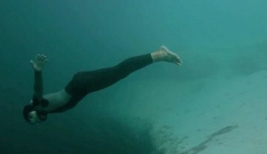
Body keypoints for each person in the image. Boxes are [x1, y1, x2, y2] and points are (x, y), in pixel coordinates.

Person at [23, 46, 182, 125]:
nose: (35, 120)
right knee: (119, 72)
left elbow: (37, 91)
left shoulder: (39, 105)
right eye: (33, 122)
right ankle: (159, 55)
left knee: (120, 71)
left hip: (81, 84)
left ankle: (160, 54)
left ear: (32, 110)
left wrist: (38, 71)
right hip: (83, 85)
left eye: (31, 117)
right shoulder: (47, 110)